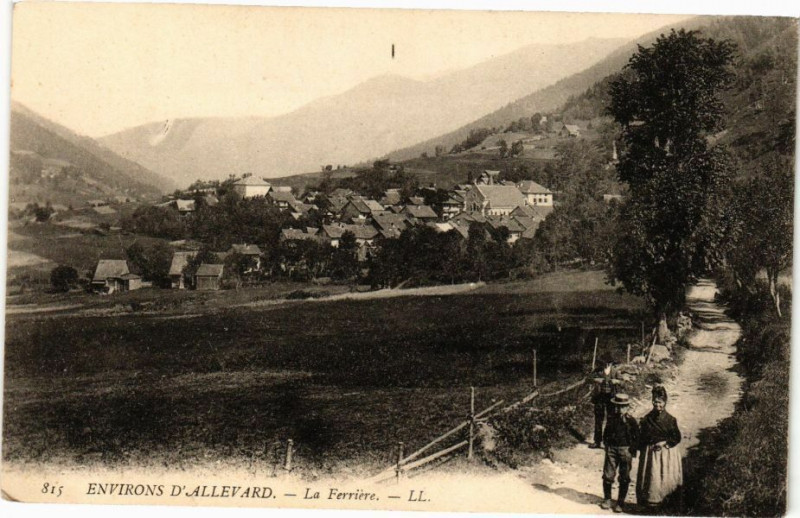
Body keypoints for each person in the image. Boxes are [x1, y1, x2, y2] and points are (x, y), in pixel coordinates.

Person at [636, 385, 683, 507]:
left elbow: (677, 437)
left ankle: (666, 501)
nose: (658, 405)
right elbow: (642, 437)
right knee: (651, 477)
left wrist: (666, 444)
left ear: (665, 402)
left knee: (664, 476)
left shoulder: (671, 420)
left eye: (660, 402)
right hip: (650, 454)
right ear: (652, 401)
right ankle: (649, 501)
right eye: (655, 402)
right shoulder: (647, 419)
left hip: (666, 454)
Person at [601, 393, 639, 513]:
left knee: (624, 477)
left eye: (623, 406)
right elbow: (606, 433)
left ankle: (620, 502)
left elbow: (636, 436)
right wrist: (607, 445)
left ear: (627, 407)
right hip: (612, 449)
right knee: (608, 475)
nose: (620, 409)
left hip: (625, 450)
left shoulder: (631, 421)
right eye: (618, 406)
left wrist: (631, 450)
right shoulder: (611, 418)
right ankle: (607, 499)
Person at [590, 356, 620, 448]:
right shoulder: (598, 371)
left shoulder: (615, 371)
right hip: (600, 397)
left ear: (611, 363)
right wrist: (596, 380)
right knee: (598, 419)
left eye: (608, 363)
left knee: (611, 420)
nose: (606, 365)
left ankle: (608, 442)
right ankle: (597, 441)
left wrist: (617, 381)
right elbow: (589, 378)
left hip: (611, 398)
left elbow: (623, 382)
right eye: (604, 363)